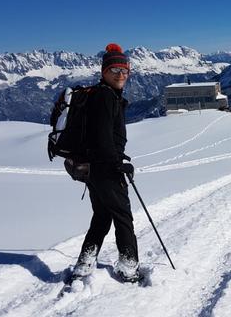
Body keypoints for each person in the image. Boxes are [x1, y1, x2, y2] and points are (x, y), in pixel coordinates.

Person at [72, 43, 140, 282]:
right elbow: (102, 138)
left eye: (124, 70)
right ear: (104, 72)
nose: (120, 74)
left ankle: (84, 264)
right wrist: (119, 164)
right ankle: (129, 267)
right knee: (123, 217)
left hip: (92, 169)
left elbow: (101, 137)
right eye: (114, 70)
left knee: (102, 216)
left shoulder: (103, 95)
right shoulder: (104, 97)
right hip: (105, 169)